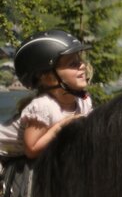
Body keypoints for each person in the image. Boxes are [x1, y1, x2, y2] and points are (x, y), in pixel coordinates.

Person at [1, 30, 93, 161]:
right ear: (47, 77)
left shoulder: (83, 101)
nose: (82, 66)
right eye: (73, 64)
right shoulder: (43, 107)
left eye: (80, 60)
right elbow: (31, 150)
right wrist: (62, 126)